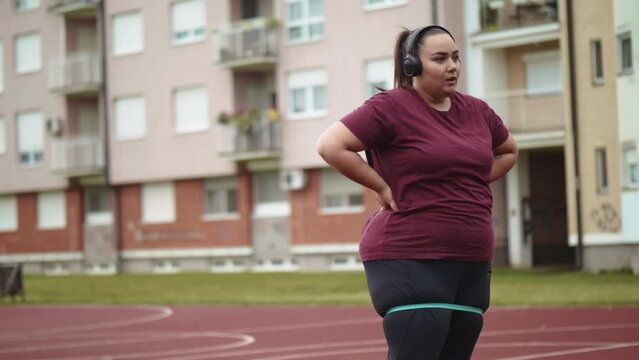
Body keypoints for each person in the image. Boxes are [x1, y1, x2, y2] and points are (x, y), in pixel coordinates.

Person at [316, 25, 518, 359]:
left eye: (455, 57)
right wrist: (380, 184)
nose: (452, 66)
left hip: (472, 257)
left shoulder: (477, 111)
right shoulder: (390, 107)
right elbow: (330, 145)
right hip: (410, 253)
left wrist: (470, 181)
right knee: (424, 336)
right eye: (440, 59)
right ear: (413, 66)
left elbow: (509, 151)